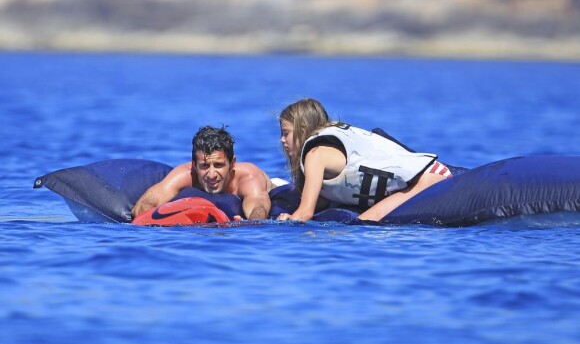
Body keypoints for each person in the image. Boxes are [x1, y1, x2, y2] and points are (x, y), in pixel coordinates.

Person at [276, 98, 453, 222]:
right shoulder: (326, 144)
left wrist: (286, 221)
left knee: (365, 222)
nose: (282, 140)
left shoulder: (315, 154)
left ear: (303, 128)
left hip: (427, 178)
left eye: (286, 133)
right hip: (426, 175)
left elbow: (305, 213)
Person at [131, 126, 275, 220]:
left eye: (218, 165)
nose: (211, 174)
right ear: (194, 165)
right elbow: (146, 203)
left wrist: (250, 226)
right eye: (205, 166)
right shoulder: (185, 174)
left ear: (232, 163)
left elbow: (259, 207)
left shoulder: (248, 177)